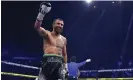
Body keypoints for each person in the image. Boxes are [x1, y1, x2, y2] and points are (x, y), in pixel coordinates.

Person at [34, 2, 68, 80]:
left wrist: (66, 67)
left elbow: (65, 54)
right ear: (53, 25)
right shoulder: (47, 34)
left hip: (59, 64)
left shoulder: (64, 39)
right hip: (47, 62)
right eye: (58, 24)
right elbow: (37, 27)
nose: (60, 26)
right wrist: (42, 13)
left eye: (62, 25)